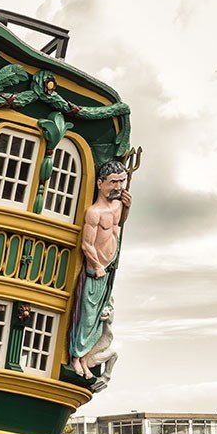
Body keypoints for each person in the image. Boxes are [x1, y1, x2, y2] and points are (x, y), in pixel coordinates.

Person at [70, 158, 131, 378]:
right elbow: (87, 244)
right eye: (113, 182)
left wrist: (128, 206)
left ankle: (86, 360)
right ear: (100, 183)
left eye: (122, 181)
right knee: (87, 318)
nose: (118, 187)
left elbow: (119, 225)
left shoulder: (118, 204)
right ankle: (76, 358)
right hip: (96, 272)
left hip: (109, 268)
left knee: (99, 321)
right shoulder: (94, 212)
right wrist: (96, 265)